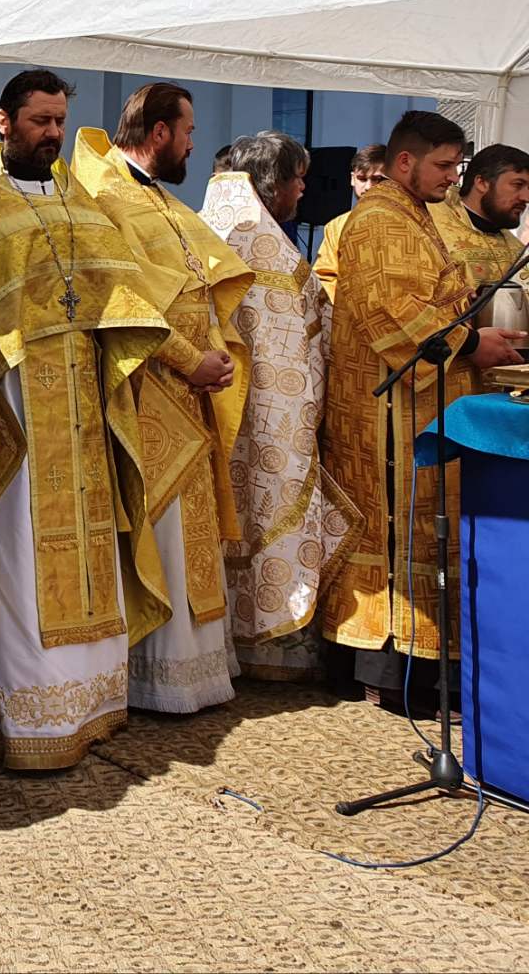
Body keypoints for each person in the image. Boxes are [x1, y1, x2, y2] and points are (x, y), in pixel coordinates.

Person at [0, 70, 171, 769]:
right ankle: (22, 714)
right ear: (4, 121)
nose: (53, 133)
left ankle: (88, 706)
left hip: (81, 396)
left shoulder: (76, 197)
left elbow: (118, 289)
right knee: (18, 553)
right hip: (14, 403)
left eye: (60, 121)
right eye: (40, 120)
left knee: (90, 544)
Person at [321, 112, 525, 713]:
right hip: (390, 406)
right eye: (443, 166)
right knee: (400, 528)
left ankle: (426, 670)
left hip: (424, 397)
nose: (451, 177)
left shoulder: (413, 213)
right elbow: (392, 310)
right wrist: (471, 342)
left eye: (456, 166)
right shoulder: (381, 219)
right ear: (405, 161)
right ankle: (394, 675)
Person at [72, 84, 254, 713]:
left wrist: (215, 354)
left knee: (192, 530)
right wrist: (188, 358)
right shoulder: (105, 197)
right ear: (159, 133)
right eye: (188, 130)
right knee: (164, 530)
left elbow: (196, 287)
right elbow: (122, 300)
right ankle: (156, 678)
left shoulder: (159, 197)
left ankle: (197, 671)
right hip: (146, 387)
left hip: (192, 386)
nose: (193, 143)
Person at [201, 131, 361, 682]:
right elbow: (295, 342)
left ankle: (227, 641)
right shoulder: (268, 249)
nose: (302, 189)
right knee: (271, 510)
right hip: (272, 415)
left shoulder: (210, 226)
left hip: (224, 410)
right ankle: (270, 647)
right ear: (272, 184)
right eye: (297, 179)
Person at [430, 142, 529, 299]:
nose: (526, 198)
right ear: (482, 183)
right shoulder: (432, 228)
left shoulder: (516, 249)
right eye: (518, 185)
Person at [312, 142, 384, 303]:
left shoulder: (411, 220)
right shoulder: (336, 227)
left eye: (377, 179)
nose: (368, 187)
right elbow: (325, 277)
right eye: (362, 179)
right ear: (352, 179)